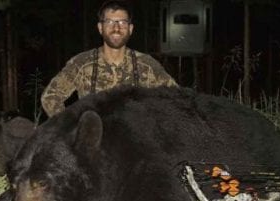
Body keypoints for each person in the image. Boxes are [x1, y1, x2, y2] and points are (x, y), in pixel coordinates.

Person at [41, 0, 178, 117]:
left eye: (122, 22)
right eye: (110, 22)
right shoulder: (82, 63)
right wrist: (73, 129)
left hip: (134, 143)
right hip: (95, 143)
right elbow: (50, 97)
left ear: (130, 29)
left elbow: (176, 98)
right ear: (100, 28)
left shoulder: (147, 65)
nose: (116, 28)